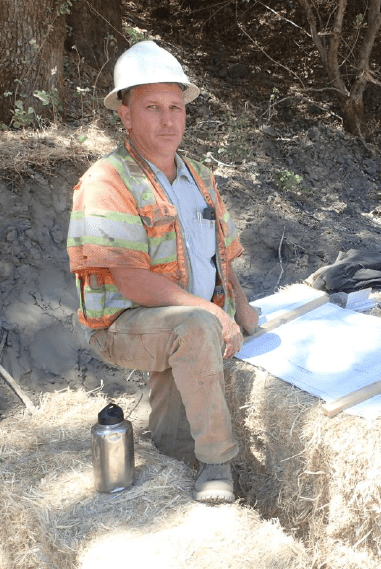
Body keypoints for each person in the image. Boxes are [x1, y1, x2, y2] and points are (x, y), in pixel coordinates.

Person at [66, 41, 259, 504]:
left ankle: (174, 452)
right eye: (152, 107)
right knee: (194, 327)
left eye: (176, 107)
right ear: (126, 116)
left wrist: (240, 305)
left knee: (192, 338)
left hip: (182, 319)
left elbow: (221, 254)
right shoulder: (108, 180)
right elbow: (130, 279)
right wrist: (211, 314)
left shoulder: (200, 176)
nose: (168, 120)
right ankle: (217, 464)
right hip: (125, 325)